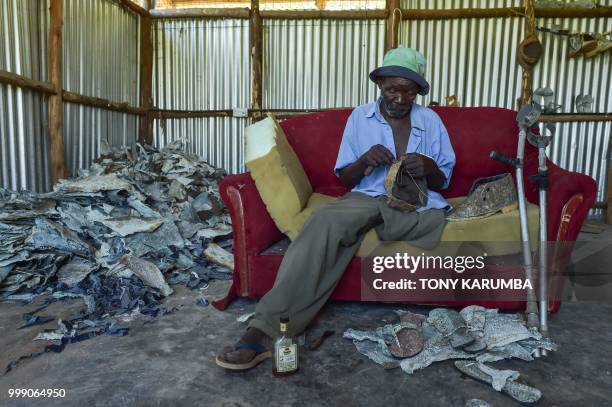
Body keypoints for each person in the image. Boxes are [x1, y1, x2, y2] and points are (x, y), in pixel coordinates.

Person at [216, 47, 456, 370]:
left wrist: (428, 166)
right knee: (324, 223)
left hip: (414, 203)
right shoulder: (360, 118)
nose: (400, 98)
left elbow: (443, 181)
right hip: (367, 197)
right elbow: (344, 176)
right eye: (392, 89)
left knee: (433, 221)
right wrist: (365, 160)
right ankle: (263, 331)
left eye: (409, 91)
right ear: (380, 85)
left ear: (418, 91)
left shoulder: (431, 121)